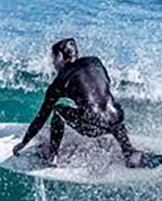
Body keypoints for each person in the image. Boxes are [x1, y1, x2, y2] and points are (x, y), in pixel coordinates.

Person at [12, 38, 154, 168]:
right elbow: (104, 84)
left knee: (58, 111)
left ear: (60, 57)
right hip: (117, 118)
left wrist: (24, 142)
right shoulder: (95, 61)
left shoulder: (60, 80)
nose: (53, 63)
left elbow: (42, 116)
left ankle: (52, 155)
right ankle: (129, 152)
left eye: (53, 58)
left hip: (93, 125)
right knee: (106, 107)